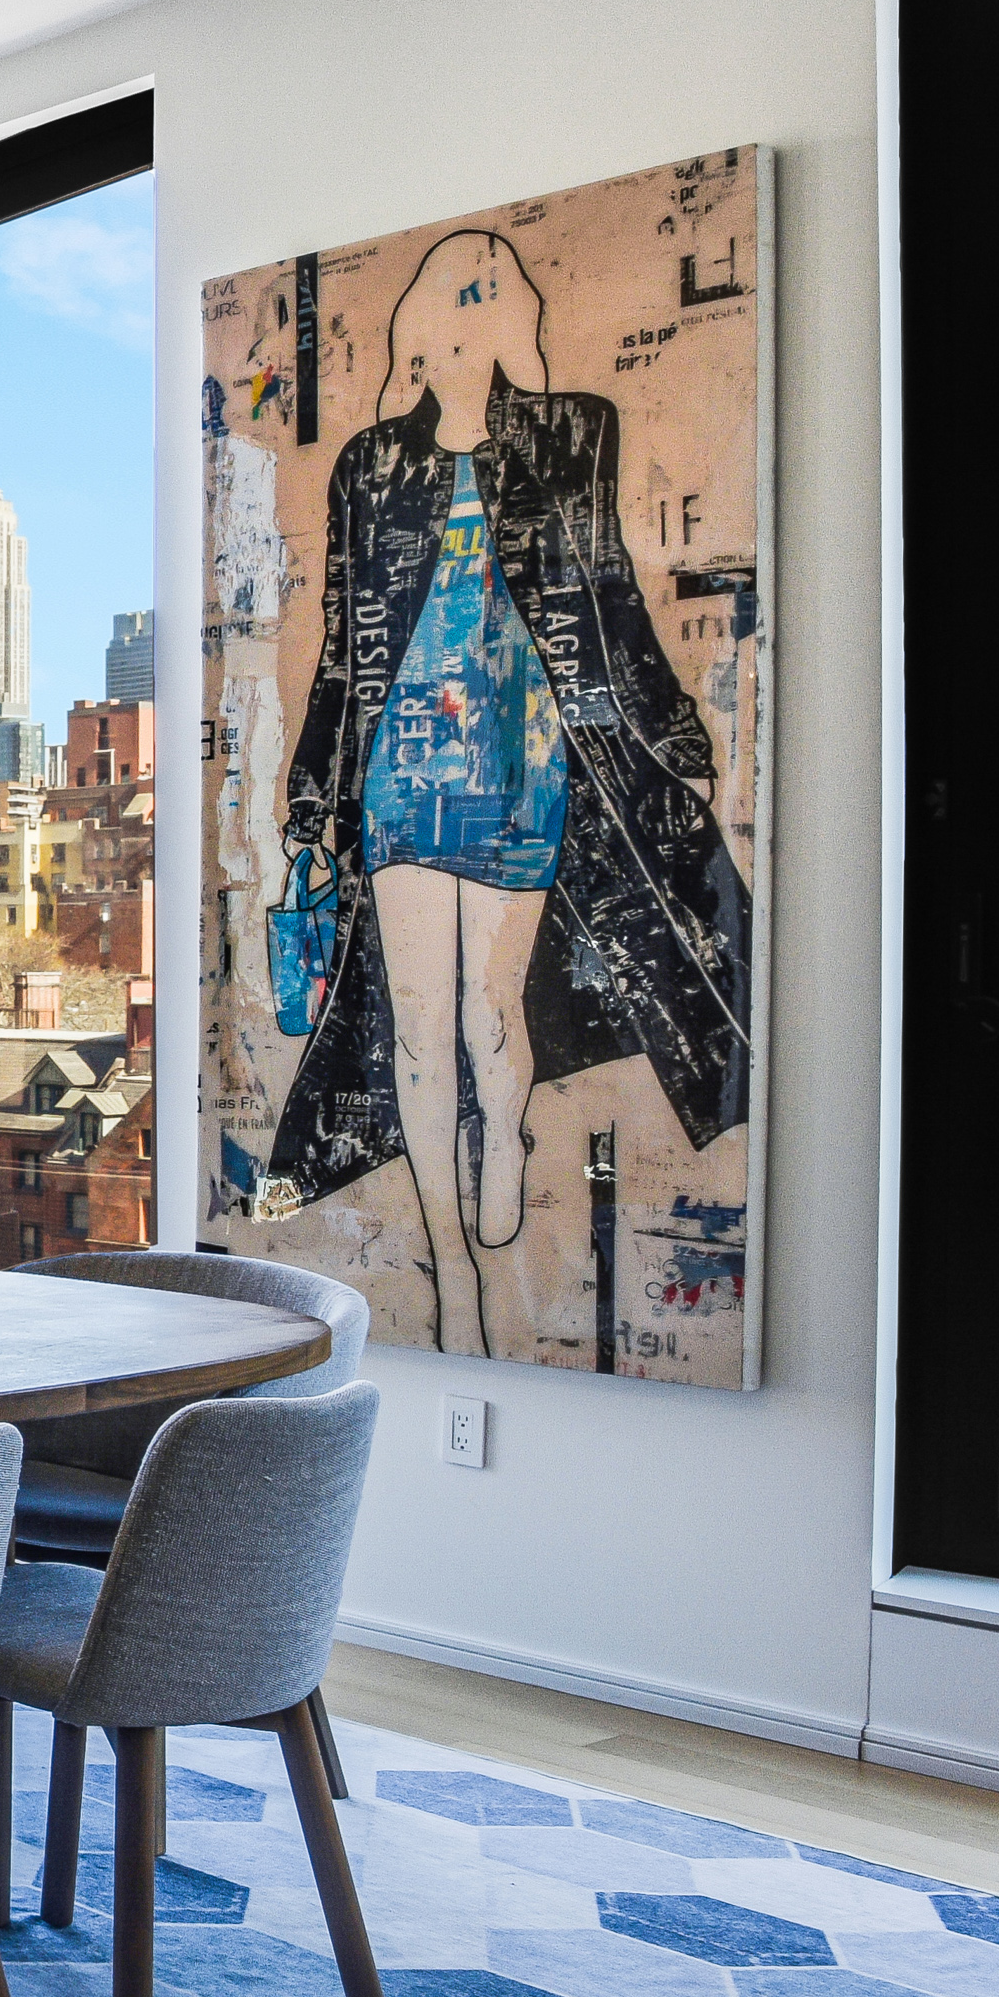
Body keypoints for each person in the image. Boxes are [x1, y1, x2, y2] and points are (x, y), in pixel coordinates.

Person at [268, 230, 750, 1360]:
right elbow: (346, 646)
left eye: (491, 308)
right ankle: (447, 1259)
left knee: (492, 1019)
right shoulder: (370, 466)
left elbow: (612, 590)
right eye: (457, 312)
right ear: (422, 335)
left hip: (522, 769)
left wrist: (674, 729)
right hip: (399, 780)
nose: (473, 334)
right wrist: (309, 799)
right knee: (420, 1036)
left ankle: (509, 1139)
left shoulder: (571, 434)